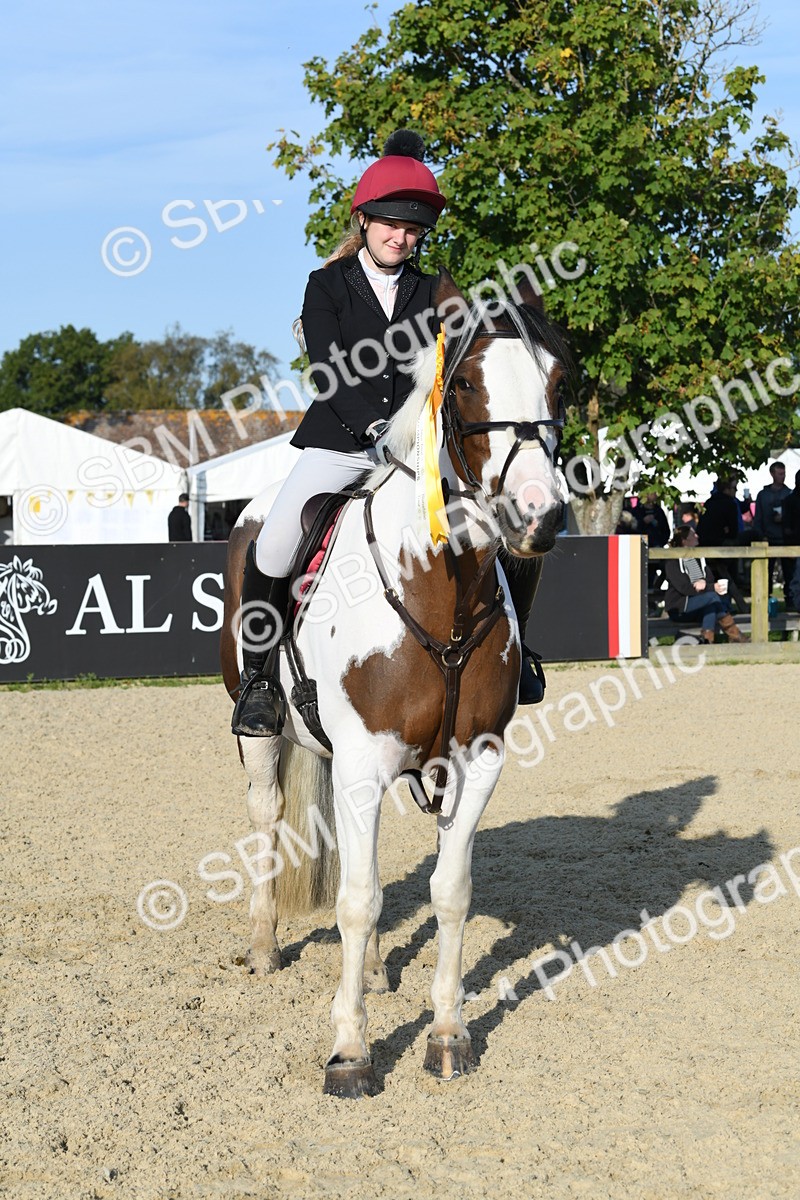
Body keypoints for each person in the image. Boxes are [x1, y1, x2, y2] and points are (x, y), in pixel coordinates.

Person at [231, 130, 545, 737]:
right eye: (390, 226)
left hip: (416, 453)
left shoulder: (432, 292)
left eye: (412, 231)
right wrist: (373, 426)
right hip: (339, 445)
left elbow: (459, 364)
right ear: (364, 220)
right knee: (272, 544)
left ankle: (516, 651)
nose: (400, 238)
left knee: (509, 527)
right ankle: (258, 682)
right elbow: (327, 370)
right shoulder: (326, 286)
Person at [663, 525, 745, 642]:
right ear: (684, 540)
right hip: (680, 609)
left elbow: (709, 579)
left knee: (711, 605)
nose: (697, 536)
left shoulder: (699, 556)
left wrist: (704, 583)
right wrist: (709, 587)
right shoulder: (673, 560)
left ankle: (707, 640)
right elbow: (683, 588)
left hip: (701, 605)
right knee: (712, 597)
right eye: (693, 535)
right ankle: (735, 635)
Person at [752, 461, 793, 597]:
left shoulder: (789, 494)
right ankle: (766, 597)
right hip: (768, 538)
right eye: (780, 474)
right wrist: (761, 536)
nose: (783, 476)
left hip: (785, 539)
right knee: (766, 571)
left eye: (784, 473)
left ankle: (790, 598)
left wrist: (785, 518)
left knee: (789, 572)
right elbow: (758, 518)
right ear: (772, 474)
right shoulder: (763, 495)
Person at [784, 468, 800, 612]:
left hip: (793, 541)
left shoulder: (789, 499)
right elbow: (787, 527)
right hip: (794, 542)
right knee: (795, 577)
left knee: (795, 577)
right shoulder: (790, 500)